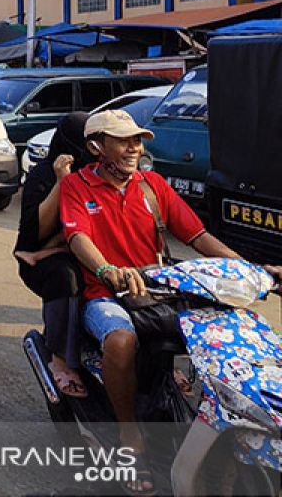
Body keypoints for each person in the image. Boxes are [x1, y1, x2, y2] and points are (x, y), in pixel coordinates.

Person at [60, 109, 282, 494]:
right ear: (97, 146)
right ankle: (130, 438)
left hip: (161, 290)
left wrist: (249, 269)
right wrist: (107, 268)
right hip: (107, 295)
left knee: (232, 331)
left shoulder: (154, 186)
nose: (134, 147)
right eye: (123, 139)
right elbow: (79, 238)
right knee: (120, 340)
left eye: (137, 140)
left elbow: (197, 236)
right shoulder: (76, 187)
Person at [14, 112, 92, 400]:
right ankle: (60, 358)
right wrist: (63, 182)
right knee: (66, 276)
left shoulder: (99, 172)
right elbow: (36, 233)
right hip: (42, 256)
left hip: (85, 249)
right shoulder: (42, 175)